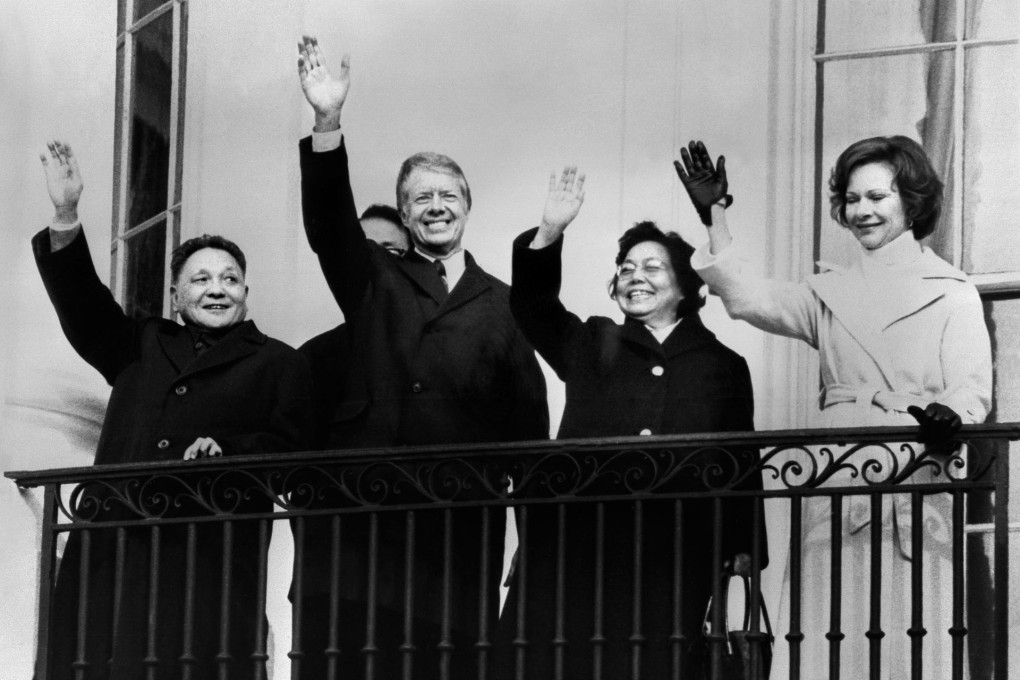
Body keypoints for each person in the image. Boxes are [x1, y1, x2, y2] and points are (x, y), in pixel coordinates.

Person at [675, 137, 991, 679]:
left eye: (877, 196)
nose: (862, 210)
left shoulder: (953, 291)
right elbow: (749, 297)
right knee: (828, 634)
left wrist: (949, 416)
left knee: (908, 634)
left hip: (915, 474)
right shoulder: (828, 292)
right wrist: (715, 213)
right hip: (837, 476)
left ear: (911, 200)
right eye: (851, 199)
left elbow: (971, 390)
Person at [295, 36, 549, 679]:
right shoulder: (373, 276)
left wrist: (533, 536)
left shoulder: (505, 304)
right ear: (405, 216)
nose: (435, 207)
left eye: (446, 195)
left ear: (467, 205)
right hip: (362, 529)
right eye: (420, 199)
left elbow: (528, 432)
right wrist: (328, 122)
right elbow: (329, 225)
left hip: (457, 535)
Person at [34, 140, 312, 680]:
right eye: (201, 279)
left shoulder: (279, 362)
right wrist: (66, 215)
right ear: (175, 293)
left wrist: (228, 452)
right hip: (113, 552)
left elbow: (293, 452)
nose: (216, 290)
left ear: (246, 293)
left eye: (229, 279)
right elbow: (83, 305)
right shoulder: (140, 342)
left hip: (209, 561)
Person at [494, 167, 767, 678]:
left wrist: (744, 546)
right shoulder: (593, 341)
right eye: (625, 267)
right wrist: (550, 232)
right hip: (571, 555)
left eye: (652, 267)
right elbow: (532, 306)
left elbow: (740, 459)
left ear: (687, 284)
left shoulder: (722, 364)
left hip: (672, 561)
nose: (634, 275)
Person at [298, 203, 410, 447]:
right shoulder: (312, 358)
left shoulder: (445, 343)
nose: (376, 262)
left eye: (389, 252)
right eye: (363, 252)